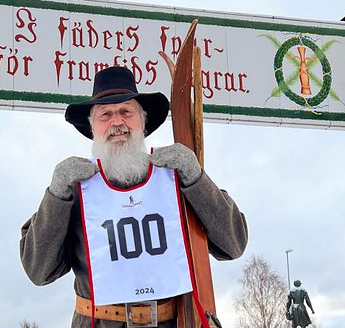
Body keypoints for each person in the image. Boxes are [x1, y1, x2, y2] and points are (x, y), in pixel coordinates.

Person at [20, 66, 248, 327]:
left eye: (126, 112)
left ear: (142, 121)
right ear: (93, 127)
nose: (117, 122)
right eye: (106, 114)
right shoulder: (74, 188)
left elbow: (234, 244)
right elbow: (38, 271)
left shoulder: (176, 176)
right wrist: (56, 195)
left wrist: (197, 179)